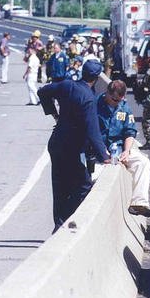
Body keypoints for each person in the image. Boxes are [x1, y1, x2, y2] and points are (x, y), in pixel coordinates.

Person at [37, 60, 110, 233]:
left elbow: (42, 92)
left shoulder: (67, 85)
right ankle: (62, 219)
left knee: (59, 185)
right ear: (97, 78)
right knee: (84, 184)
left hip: (56, 142)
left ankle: (58, 224)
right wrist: (105, 156)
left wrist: (54, 114)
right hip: (72, 147)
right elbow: (93, 131)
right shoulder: (88, 98)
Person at [96, 80, 150, 217]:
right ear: (107, 93)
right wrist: (102, 152)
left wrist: (127, 151)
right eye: (114, 99)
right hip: (99, 150)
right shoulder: (95, 105)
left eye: (119, 100)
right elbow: (91, 132)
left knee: (142, 162)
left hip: (118, 148)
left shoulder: (124, 107)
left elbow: (129, 132)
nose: (116, 102)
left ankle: (138, 203)